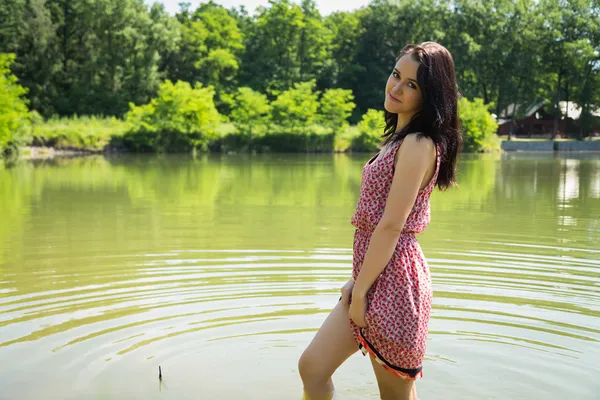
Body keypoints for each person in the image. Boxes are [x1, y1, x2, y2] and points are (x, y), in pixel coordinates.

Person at [298, 41, 462, 400]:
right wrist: (357, 282)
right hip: (373, 278)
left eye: (412, 84)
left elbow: (391, 226)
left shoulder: (419, 143)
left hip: (395, 288)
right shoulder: (400, 139)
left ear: (429, 96)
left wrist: (360, 292)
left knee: (396, 396)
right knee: (312, 367)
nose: (397, 87)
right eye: (395, 75)